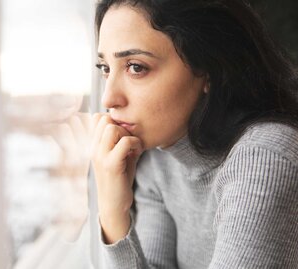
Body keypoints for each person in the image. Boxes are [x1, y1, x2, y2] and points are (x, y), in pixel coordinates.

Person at [91, 0, 298, 268]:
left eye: (136, 67)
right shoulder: (158, 160)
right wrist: (112, 210)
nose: (109, 97)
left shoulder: (265, 157)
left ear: (208, 70)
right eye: (106, 69)